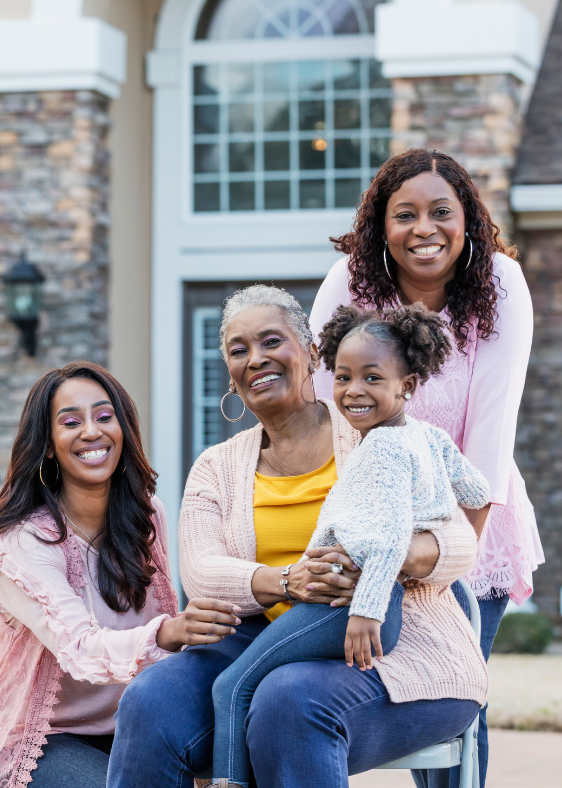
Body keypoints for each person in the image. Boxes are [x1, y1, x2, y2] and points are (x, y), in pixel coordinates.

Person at [107, 286, 487, 788]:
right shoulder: (216, 468)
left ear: (311, 352)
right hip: (259, 635)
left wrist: (385, 560)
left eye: (271, 341)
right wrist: (292, 580)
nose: (256, 358)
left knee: (288, 699)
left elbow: (459, 536)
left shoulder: (377, 433)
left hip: (395, 643)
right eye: (238, 350)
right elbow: (201, 573)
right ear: (231, 376)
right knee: (151, 700)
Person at [310, 147, 543, 788]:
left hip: (473, 525)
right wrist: (354, 543)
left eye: (442, 212)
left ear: (467, 219)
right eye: (404, 214)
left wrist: (442, 558)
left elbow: (489, 441)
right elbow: (330, 423)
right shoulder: (347, 285)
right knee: (382, 695)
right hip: (369, 530)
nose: (424, 229)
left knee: (455, 704)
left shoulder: (499, 285)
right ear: (381, 226)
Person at [0, 361, 240, 788]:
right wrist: (168, 632)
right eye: (71, 422)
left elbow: (161, 626)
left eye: (104, 416)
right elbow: (78, 647)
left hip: (132, 725)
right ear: (49, 445)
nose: (92, 432)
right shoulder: (24, 541)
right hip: (42, 740)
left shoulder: (147, 515)